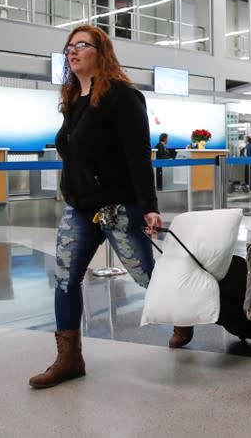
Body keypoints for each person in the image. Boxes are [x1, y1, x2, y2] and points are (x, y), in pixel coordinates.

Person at [29, 24, 164, 389]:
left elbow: (138, 156)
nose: (73, 52)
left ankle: (183, 315)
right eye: (69, 47)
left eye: (82, 45)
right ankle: (69, 358)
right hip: (79, 208)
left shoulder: (123, 97)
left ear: (100, 51)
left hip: (117, 206)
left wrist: (149, 205)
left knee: (146, 276)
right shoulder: (73, 99)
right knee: (65, 278)